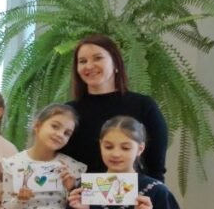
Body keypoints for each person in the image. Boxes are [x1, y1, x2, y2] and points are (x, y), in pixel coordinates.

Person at [62, 35, 168, 182]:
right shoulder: (68, 113)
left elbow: (156, 169)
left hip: (133, 194)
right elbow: (56, 162)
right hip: (80, 194)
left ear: (116, 64)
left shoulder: (144, 106)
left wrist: (151, 195)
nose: (89, 66)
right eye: (82, 61)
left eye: (98, 58)